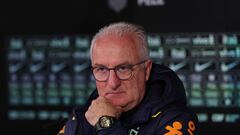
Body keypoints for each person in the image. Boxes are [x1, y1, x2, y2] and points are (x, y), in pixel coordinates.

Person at [57, 22, 199, 135]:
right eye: (102, 69)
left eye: (123, 68)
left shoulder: (176, 119)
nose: (112, 83)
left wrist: (106, 124)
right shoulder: (87, 114)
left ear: (146, 70)